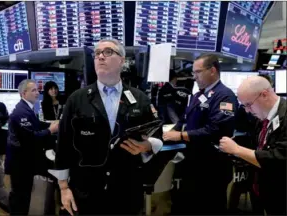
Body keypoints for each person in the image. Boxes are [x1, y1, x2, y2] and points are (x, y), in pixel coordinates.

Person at [52, 39, 163, 215]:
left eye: (108, 52)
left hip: (126, 189)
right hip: (86, 188)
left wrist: (147, 145)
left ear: (122, 60)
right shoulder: (77, 99)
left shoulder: (139, 98)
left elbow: (157, 133)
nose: (100, 57)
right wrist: (64, 188)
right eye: (97, 54)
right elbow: (63, 144)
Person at [163, 54, 238, 215]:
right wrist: (173, 130)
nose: (194, 76)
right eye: (193, 72)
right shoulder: (199, 94)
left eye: (198, 72)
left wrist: (181, 136)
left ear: (212, 70)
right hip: (195, 163)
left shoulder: (225, 96)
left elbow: (217, 130)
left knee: (209, 207)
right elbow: (185, 118)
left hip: (212, 167)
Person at [219, 76, 287, 215]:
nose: (248, 111)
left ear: (264, 95)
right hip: (264, 190)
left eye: (248, 104)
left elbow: (278, 158)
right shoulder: (263, 117)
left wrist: (237, 150)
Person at [7, 79, 59, 215]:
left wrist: (49, 125)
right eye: (34, 90)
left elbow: (36, 124)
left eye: (37, 90)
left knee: (23, 196)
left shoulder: (27, 109)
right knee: (20, 197)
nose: (37, 93)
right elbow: (30, 138)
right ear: (24, 93)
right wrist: (50, 131)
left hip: (24, 163)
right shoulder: (21, 112)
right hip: (20, 164)